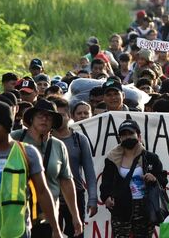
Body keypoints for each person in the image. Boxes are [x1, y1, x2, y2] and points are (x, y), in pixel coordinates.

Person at [0, 101, 63, 238]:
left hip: (19, 232)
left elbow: (42, 192)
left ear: (7, 125)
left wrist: (56, 229)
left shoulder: (27, 153)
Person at [10, 99, 83, 236]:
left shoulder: (58, 146)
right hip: (17, 215)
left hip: (48, 218)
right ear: (31, 118)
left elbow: (66, 182)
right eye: (40, 115)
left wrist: (75, 215)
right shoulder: (15, 139)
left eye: (49, 117)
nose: (44, 119)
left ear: (54, 122)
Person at [100, 119, 167, 238]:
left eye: (131, 133)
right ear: (120, 138)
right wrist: (106, 197)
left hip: (145, 208)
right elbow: (106, 182)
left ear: (139, 136)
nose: (127, 137)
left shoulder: (151, 158)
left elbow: (163, 179)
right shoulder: (111, 159)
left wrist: (154, 178)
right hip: (120, 208)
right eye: (124, 135)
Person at [51, 97, 97, 237]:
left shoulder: (79, 139)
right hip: (51, 196)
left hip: (75, 195)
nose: (59, 119)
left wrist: (93, 198)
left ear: (69, 116)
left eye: (62, 115)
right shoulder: (44, 139)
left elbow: (89, 171)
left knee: (77, 233)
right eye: (55, 116)